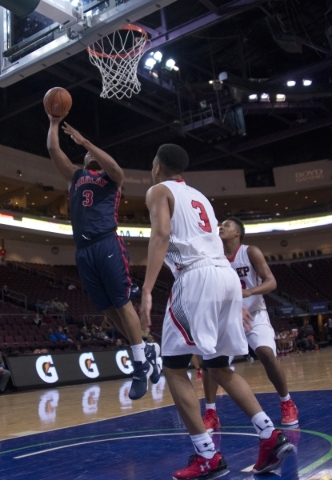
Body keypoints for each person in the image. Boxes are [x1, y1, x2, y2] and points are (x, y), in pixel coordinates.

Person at [140, 144, 294, 479]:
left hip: (195, 278)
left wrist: (148, 289)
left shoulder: (158, 190)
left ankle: (207, 454)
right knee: (219, 366)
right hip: (224, 277)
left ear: (157, 166)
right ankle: (270, 435)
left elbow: (162, 234)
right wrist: (229, 301)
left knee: (174, 366)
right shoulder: (200, 197)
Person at [46, 114, 160, 399]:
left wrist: (86, 141)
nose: (88, 154)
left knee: (122, 304)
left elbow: (114, 166)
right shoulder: (76, 176)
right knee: (108, 309)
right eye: (85, 153)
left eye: (90, 151)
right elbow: (53, 150)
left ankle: (138, 366)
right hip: (83, 252)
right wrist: (52, 122)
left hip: (106, 243)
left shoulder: (112, 179)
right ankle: (146, 349)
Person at [201, 217, 298, 435]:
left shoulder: (250, 251)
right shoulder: (214, 256)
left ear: (238, 233)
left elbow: (271, 281)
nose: (221, 227)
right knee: (210, 362)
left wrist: (248, 292)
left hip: (254, 313)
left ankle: (286, 401)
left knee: (265, 353)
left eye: (227, 225)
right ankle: (210, 413)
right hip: (225, 316)